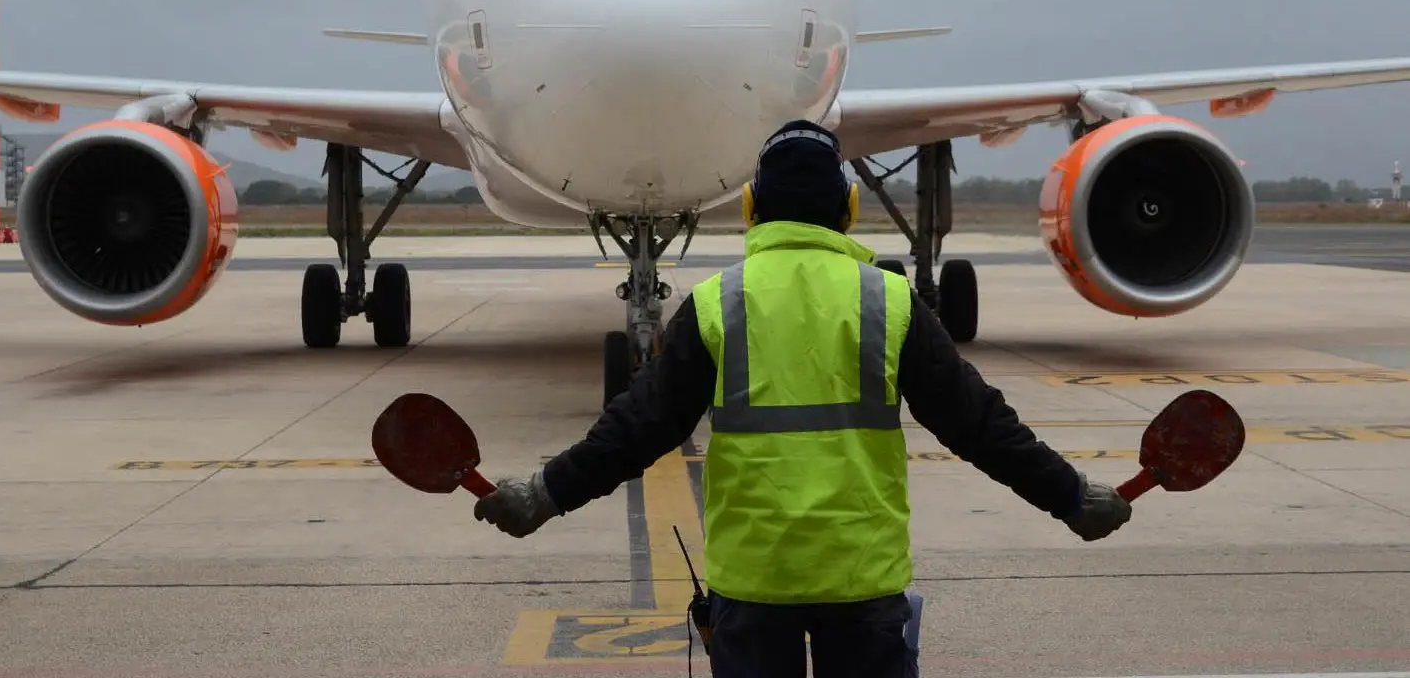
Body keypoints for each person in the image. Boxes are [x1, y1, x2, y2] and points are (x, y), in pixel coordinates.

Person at [473, 119, 1133, 677]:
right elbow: (980, 425)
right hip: (862, 581)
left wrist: (545, 494)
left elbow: (636, 428)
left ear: (750, 207)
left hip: (754, 586)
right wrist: (1070, 497)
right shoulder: (888, 301)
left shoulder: (718, 303)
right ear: (849, 208)